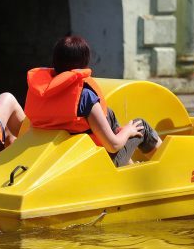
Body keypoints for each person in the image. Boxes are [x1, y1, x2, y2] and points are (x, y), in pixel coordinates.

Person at [25, 35, 161, 166]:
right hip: (96, 161)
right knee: (141, 126)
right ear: (84, 63)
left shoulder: (40, 93)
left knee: (108, 113)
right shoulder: (85, 96)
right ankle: (164, 169)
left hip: (62, 159)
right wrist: (128, 131)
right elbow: (113, 146)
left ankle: (129, 164)